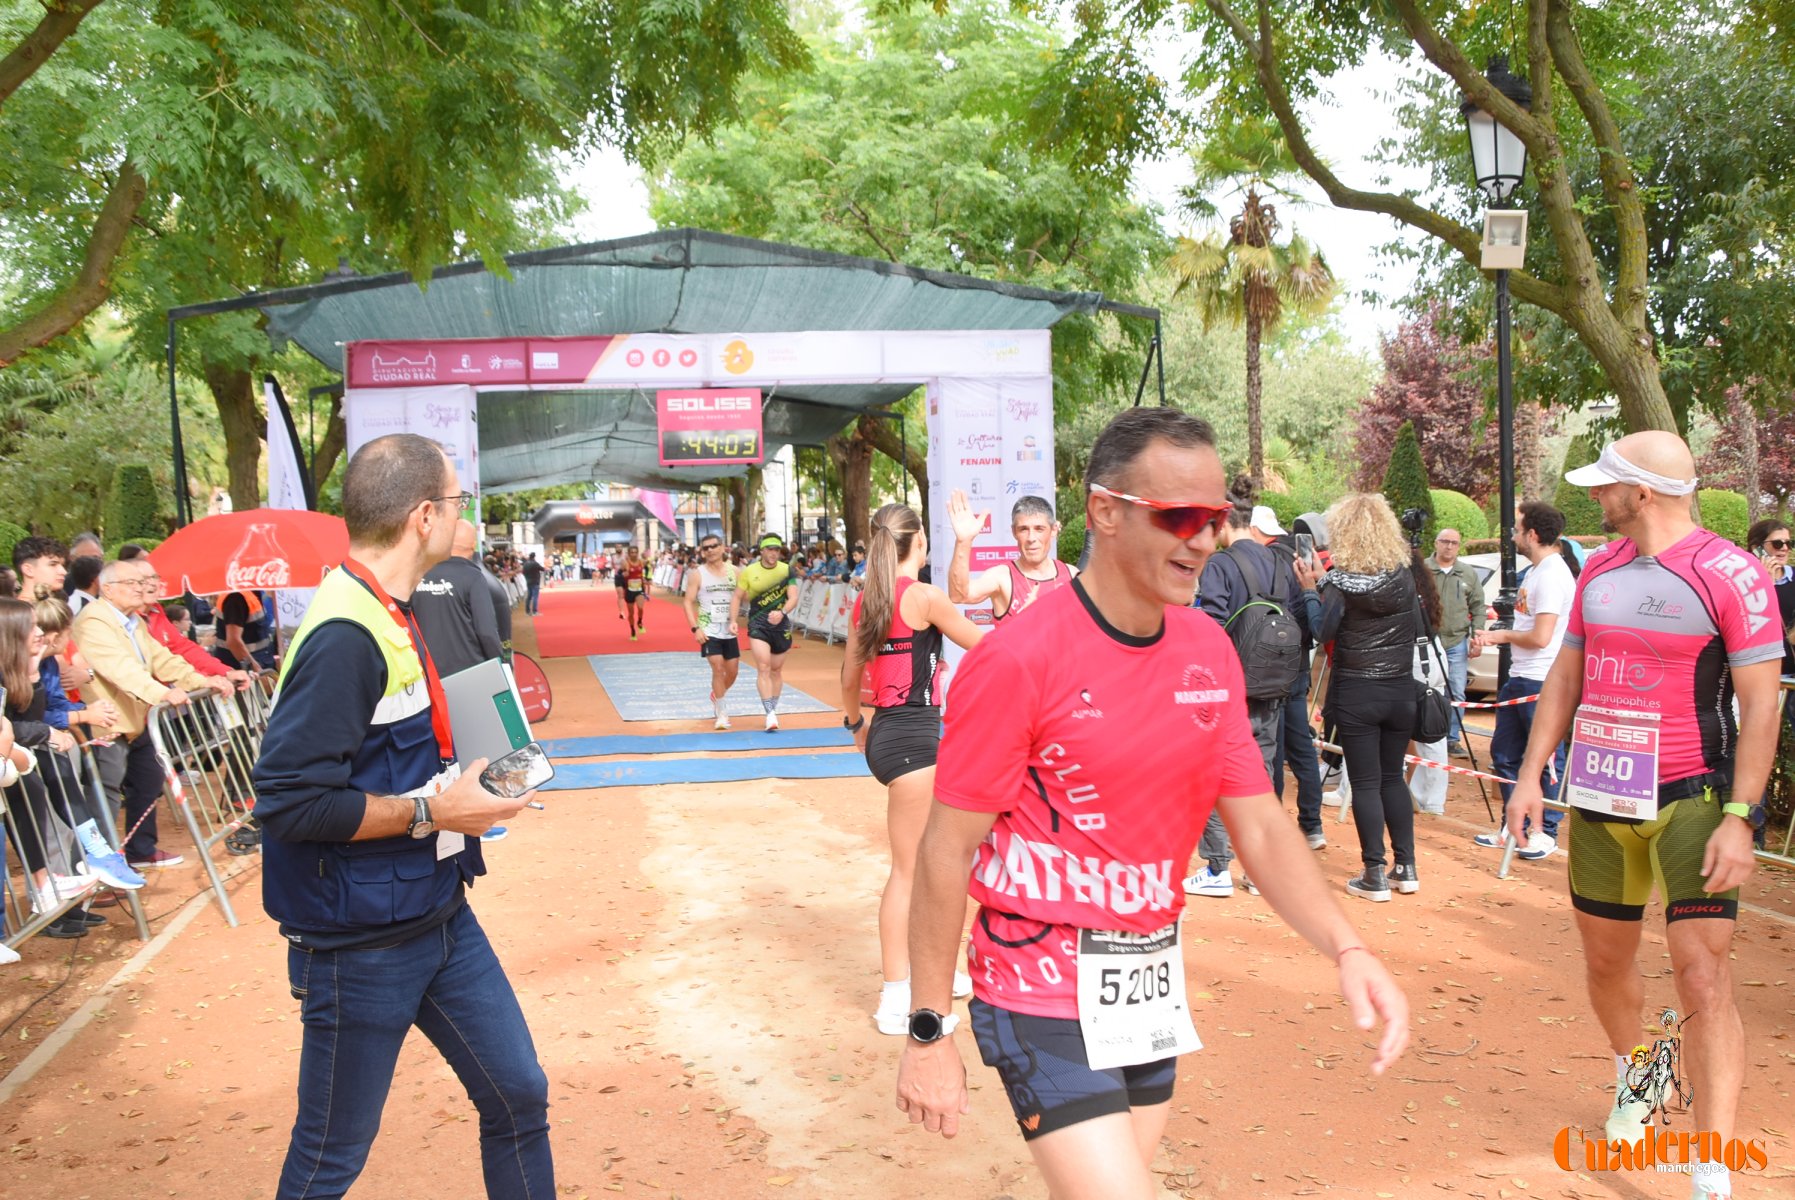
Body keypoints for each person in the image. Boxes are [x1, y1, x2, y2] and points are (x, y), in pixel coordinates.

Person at [896, 408, 1407, 1195]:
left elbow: (1262, 828)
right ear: (1104, 511)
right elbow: (944, 848)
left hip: (1146, 985)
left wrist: (1348, 947)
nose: (1201, 538)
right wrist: (928, 1030)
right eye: (1178, 516)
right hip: (1037, 984)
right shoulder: (1018, 658)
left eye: (1215, 518)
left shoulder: (1206, 649)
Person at [251, 433, 551, 1199]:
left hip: (437, 914)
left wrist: (472, 782)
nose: (464, 515)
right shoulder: (347, 633)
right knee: (327, 1163)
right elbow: (289, 802)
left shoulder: (391, 606)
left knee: (518, 1094)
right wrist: (431, 808)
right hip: (359, 948)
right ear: (424, 516)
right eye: (458, 501)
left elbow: (394, 751)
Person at [1506, 433, 1782, 1200]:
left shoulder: (1730, 574)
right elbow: (1565, 673)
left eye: (1606, 487)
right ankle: (1639, 1076)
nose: (1594, 499)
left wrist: (1741, 815)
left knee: (1702, 974)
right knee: (1605, 965)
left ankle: (1710, 1165)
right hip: (1598, 798)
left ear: (1645, 494)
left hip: (1693, 796)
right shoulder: (1594, 568)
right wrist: (1530, 777)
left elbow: (1761, 704)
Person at [838, 503, 983, 1035]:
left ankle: (944, 968)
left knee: (929, 862)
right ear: (918, 543)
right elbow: (985, 646)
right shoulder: (923, 597)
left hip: (887, 738)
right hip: (915, 743)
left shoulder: (867, 601)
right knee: (913, 870)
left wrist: (855, 725)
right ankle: (895, 996)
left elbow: (849, 677)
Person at [1184, 494, 1320, 899]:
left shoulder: (1221, 565)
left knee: (1213, 770)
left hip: (1230, 686)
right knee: (1259, 777)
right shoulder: (1279, 562)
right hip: (1274, 685)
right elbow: (1298, 621)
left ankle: (1217, 867)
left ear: (1225, 523)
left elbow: (1209, 625)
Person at [73, 558, 233, 870]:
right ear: (108, 589)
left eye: (144, 581)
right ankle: (100, 868)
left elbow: (164, 659)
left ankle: (140, 850)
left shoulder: (135, 621)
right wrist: (162, 693)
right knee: (103, 798)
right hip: (108, 723)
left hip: (138, 718)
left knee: (149, 781)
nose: (142, 588)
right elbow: (122, 670)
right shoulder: (93, 621)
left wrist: (200, 680)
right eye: (132, 583)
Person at [1315, 494, 1435, 901]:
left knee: (1365, 782)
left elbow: (1323, 631)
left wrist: (1313, 587)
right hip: (1400, 689)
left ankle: (1374, 873)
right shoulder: (1404, 576)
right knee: (1391, 779)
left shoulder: (1338, 581)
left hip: (1357, 690)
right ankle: (1406, 867)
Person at [1472, 501, 1579, 860]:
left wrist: (1497, 637)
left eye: (1518, 530)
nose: (1514, 536)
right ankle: (1512, 825)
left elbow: (1541, 637)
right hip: (1520, 678)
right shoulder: (1534, 572)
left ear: (1533, 534)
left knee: (1546, 757)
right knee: (1504, 755)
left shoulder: (1551, 575)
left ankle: (1543, 831)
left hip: (1541, 680)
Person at [946, 491, 1076, 623]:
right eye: (1023, 529)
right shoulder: (1002, 577)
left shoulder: (1072, 574)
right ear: (1014, 532)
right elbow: (958, 595)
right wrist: (963, 541)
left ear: (1053, 530)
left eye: (1039, 529)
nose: (1031, 538)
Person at [413, 520, 505, 678]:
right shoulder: (473, 577)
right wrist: (500, 665)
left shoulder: (418, 573)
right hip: (470, 673)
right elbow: (487, 632)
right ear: (473, 545)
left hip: (425, 674)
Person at [1427, 527, 1487, 757]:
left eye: (1454, 542)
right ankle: (1428, 737)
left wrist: (1478, 636)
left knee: (1456, 693)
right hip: (1429, 643)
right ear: (1436, 543)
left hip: (1456, 642)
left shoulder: (1467, 573)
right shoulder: (1424, 569)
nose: (1449, 546)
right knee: (1429, 691)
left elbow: (1478, 606)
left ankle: (1452, 739)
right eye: (1444, 541)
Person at [734, 534, 800, 731]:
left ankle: (773, 707)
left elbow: (793, 597)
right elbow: (737, 596)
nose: (773, 553)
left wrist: (782, 612)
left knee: (776, 670)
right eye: (769, 549)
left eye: (776, 550)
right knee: (763, 667)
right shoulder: (749, 571)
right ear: (762, 551)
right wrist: (732, 621)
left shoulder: (787, 570)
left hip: (780, 624)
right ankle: (770, 713)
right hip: (757, 624)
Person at [683, 535, 741, 730]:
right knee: (717, 668)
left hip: (729, 628)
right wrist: (695, 628)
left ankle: (718, 693)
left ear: (722, 547)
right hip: (708, 628)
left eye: (714, 546)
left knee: (732, 671)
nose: (710, 551)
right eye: (706, 548)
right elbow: (688, 601)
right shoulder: (697, 574)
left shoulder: (735, 572)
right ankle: (722, 713)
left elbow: (745, 595)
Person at [1746, 518, 1795, 677]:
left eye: (1789, 543)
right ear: (1757, 548)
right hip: (1763, 673)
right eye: (1777, 544)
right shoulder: (1745, 582)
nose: (1785, 549)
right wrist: (1766, 584)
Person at [12, 536, 68, 601]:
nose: (64, 572)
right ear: (28, 570)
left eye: (63, 565)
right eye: (53, 564)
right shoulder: (19, 610)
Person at [621, 545, 649, 640]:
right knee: (631, 613)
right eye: (632, 552)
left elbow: (648, 569)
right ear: (629, 553)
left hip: (639, 589)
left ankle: (640, 622)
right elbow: (620, 575)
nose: (634, 554)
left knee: (640, 608)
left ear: (637, 553)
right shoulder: (625, 563)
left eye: (635, 552)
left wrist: (645, 579)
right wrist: (624, 575)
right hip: (629, 590)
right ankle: (632, 630)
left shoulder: (641, 561)